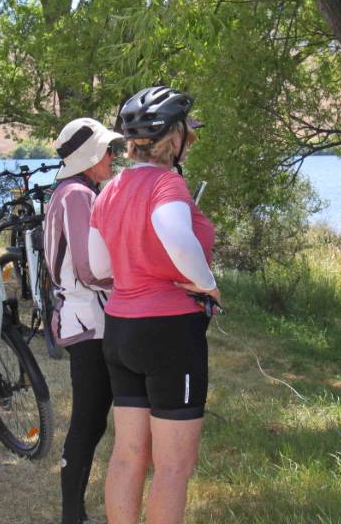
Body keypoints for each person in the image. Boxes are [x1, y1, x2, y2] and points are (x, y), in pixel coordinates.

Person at [88, 86, 219, 524]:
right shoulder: (168, 183)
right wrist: (207, 284)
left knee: (128, 455)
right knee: (173, 468)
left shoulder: (109, 189)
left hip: (120, 328)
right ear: (175, 137)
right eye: (187, 134)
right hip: (170, 333)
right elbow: (175, 235)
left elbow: (98, 265)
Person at [44, 117, 122, 524]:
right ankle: (72, 515)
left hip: (81, 317)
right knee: (87, 422)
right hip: (87, 319)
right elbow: (89, 268)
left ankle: (74, 513)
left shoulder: (69, 191)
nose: (114, 156)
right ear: (90, 156)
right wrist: (131, 278)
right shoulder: (77, 194)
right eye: (108, 150)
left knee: (90, 422)